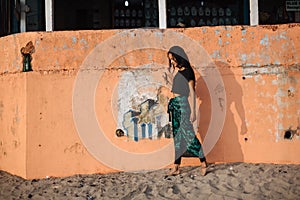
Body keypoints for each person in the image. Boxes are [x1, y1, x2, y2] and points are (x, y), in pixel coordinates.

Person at [167, 46, 207, 176]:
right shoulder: (178, 72)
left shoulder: (188, 72)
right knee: (177, 137)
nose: (172, 62)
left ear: (179, 57)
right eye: (170, 60)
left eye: (173, 59)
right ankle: (176, 166)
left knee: (189, 134)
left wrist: (194, 112)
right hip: (175, 106)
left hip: (183, 106)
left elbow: (192, 93)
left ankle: (203, 161)